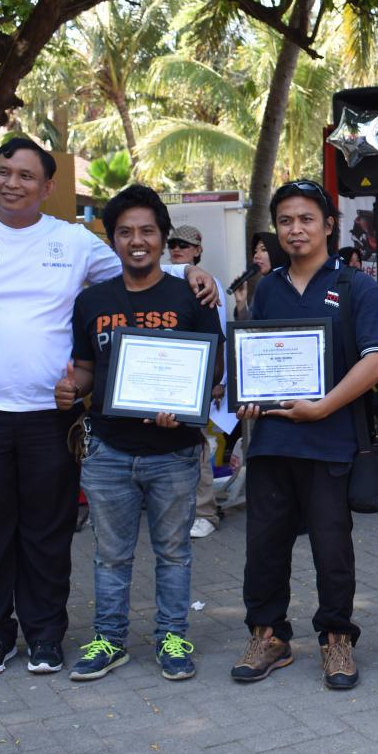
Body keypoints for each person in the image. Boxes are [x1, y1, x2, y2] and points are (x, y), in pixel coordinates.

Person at [0, 137, 218, 678]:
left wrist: (192, 274)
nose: (11, 183)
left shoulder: (73, 241)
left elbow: (136, 267)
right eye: (3, 172)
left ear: (47, 187)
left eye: (25, 176)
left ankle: (43, 635)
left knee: (47, 533)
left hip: (50, 417)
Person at [230, 179, 378, 691]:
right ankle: (268, 635)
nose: (295, 229)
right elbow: (255, 360)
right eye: (285, 221)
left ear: (328, 225)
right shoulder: (269, 287)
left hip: (331, 441)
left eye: (306, 219)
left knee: (332, 548)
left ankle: (337, 637)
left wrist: (323, 406)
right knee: (264, 547)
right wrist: (249, 398)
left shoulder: (356, 286)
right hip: (273, 442)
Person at [58, 185, 224, 682]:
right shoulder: (91, 301)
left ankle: (172, 637)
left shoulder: (191, 295)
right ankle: (109, 640)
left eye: (147, 231)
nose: (137, 241)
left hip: (174, 451)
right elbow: (87, 369)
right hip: (107, 449)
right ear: (112, 239)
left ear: (162, 237)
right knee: (111, 556)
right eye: (125, 232)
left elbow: (214, 371)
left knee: (174, 553)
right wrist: (72, 389)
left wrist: (186, 408)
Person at [165, 224, 223, 537]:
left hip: (196, 377)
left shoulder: (207, 284)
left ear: (198, 250)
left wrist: (217, 381)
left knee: (196, 444)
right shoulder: (160, 277)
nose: (177, 249)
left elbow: (219, 335)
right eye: (173, 244)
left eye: (184, 245)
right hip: (165, 374)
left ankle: (205, 511)